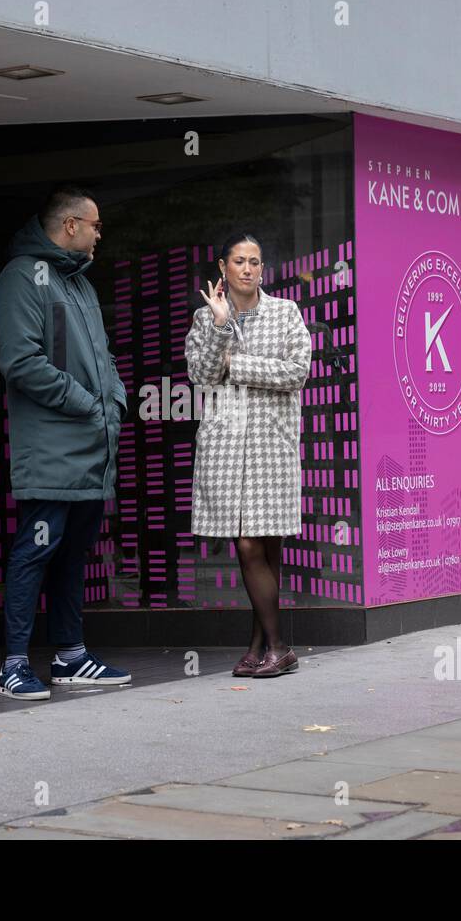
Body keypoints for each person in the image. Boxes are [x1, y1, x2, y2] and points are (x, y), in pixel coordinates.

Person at [0, 185, 131, 699]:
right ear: (70, 225)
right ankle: (12, 666)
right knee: (35, 553)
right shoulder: (21, 278)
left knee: (74, 557)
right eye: (95, 225)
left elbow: (105, 356)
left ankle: (70, 658)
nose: (100, 235)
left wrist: (112, 401)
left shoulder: (80, 285)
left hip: (93, 451)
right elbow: (21, 363)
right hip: (51, 452)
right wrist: (87, 405)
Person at [185, 234, 311, 678]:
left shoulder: (286, 313)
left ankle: (270, 647)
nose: (247, 269)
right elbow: (200, 374)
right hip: (226, 446)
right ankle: (270, 646)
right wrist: (221, 328)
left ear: (262, 268)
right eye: (239, 261)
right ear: (223, 266)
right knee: (247, 543)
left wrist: (237, 365)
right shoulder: (206, 317)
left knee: (264, 546)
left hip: (270, 446)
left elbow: (296, 371)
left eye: (255, 261)